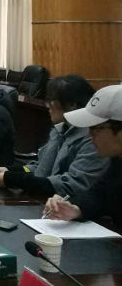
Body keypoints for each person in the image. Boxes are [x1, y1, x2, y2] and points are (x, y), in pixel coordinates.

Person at [0, 75, 109, 198]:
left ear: (72, 105)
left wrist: (13, 179)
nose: (47, 105)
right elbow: (41, 168)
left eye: (52, 100)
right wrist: (9, 171)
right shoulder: (60, 130)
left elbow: (71, 185)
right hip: (45, 200)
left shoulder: (93, 139)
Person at [42, 84, 122, 233]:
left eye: (95, 129)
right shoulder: (117, 160)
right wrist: (75, 208)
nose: (89, 136)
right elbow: (99, 195)